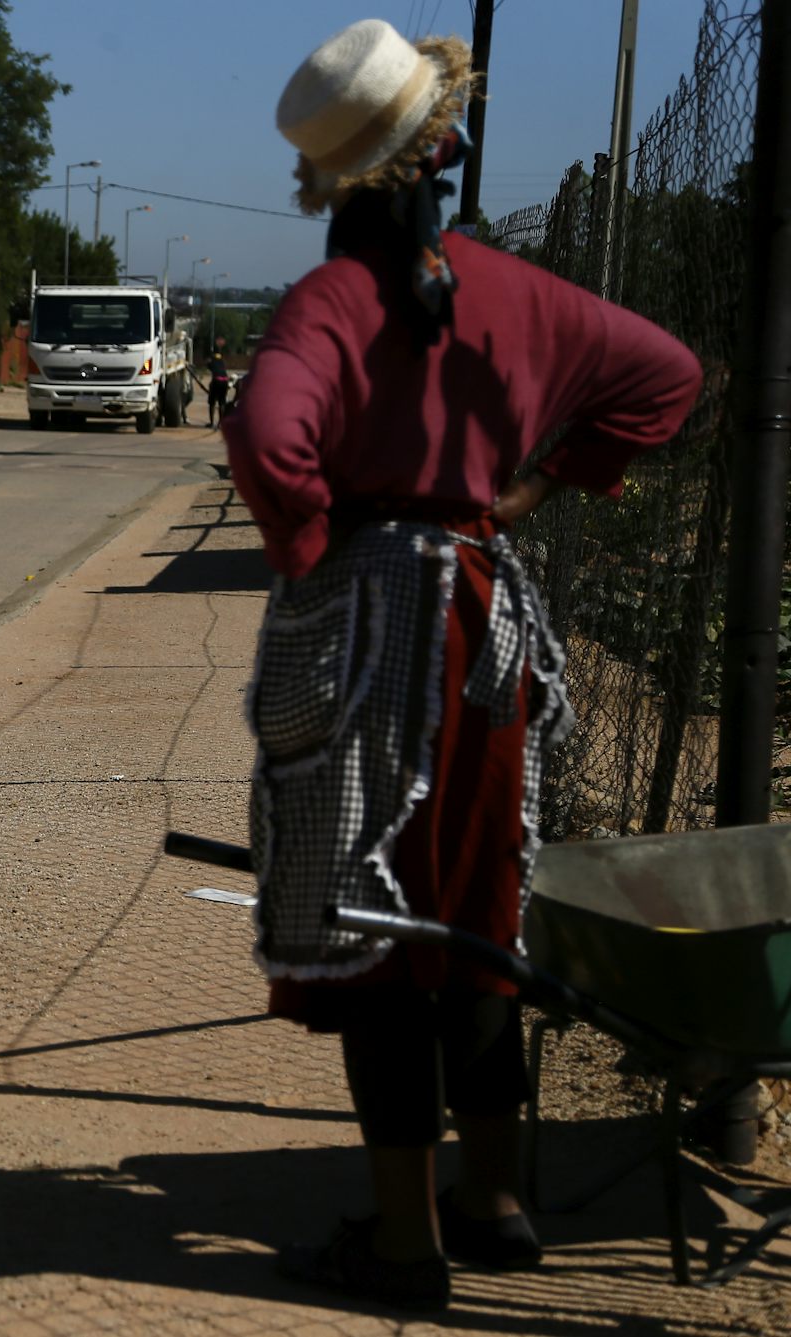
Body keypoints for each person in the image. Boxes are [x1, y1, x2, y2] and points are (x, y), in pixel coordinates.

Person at [224, 18, 701, 1313]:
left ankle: (402, 1243)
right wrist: (537, 485)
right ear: (444, 142)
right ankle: (494, 1200)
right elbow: (668, 375)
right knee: (479, 910)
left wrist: (317, 547)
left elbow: (267, 433)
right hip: (486, 615)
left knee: (381, 923)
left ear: (338, 181)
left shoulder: (332, 299)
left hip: (372, 621)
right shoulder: (518, 294)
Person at [206, 339, 231, 428]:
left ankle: (212, 423)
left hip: (216, 380)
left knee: (212, 403)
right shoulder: (222, 360)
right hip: (225, 381)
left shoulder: (211, 359)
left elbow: (209, 366)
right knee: (222, 403)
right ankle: (220, 424)